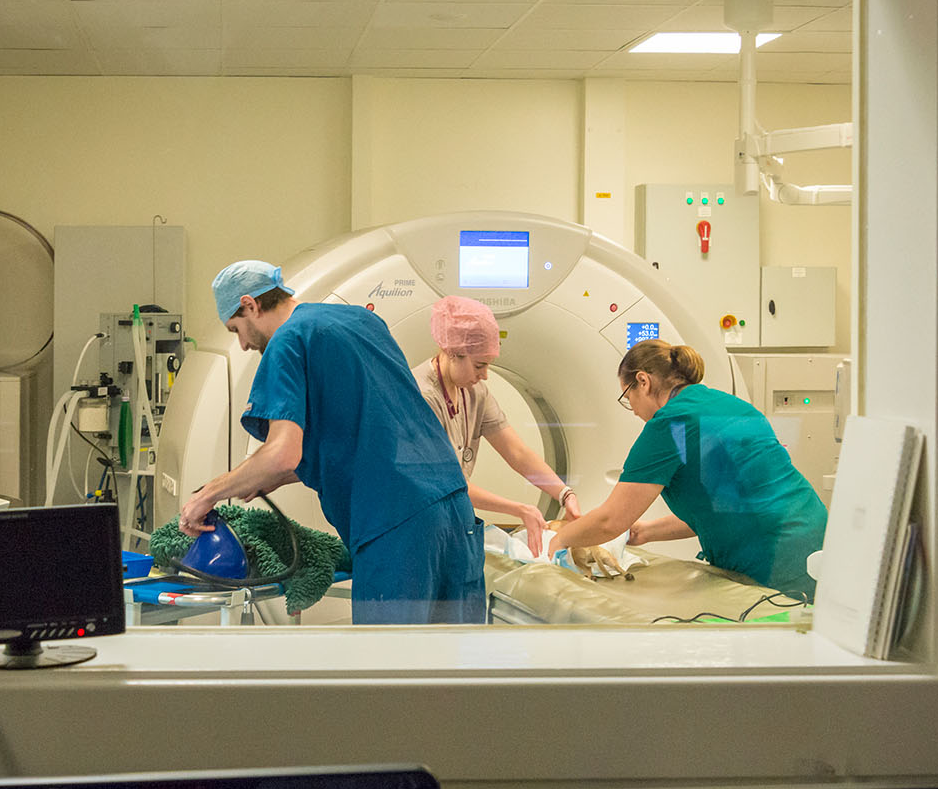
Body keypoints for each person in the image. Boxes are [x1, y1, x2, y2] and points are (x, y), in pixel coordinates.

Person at [177, 260, 486, 624]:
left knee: (392, 669)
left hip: (396, 524)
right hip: (454, 510)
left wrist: (207, 495)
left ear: (249, 305)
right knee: (457, 665)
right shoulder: (362, 321)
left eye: (236, 329)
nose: (243, 344)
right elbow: (369, 431)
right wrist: (275, 475)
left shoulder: (288, 341)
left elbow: (281, 453)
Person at [543, 338, 827, 600]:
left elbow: (610, 521)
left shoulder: (669, 423)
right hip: (816, 535)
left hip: (774, 556)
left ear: (642, 381)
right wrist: (646, 531)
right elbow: (723, 504)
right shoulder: (730, 405)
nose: (636, 411)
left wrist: (557, 540)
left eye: (628, 399)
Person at [417, 296, 581, 557]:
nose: (484, 375)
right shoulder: (423, 396)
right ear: (451, 351)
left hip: (451, 516)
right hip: (416, 520)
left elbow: (516, 452)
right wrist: (519, 509)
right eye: (479, 365)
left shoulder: (475, 392)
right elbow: (448, 483)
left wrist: (563, 493)